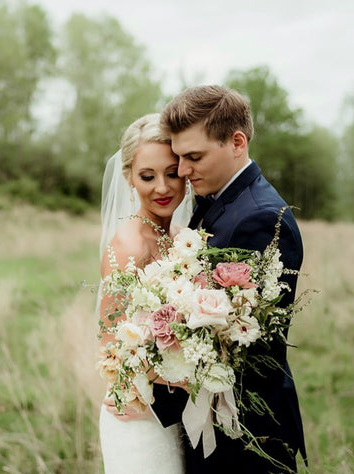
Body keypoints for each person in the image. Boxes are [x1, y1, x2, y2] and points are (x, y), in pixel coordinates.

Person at [150, 85, 307, 473]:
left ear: (237, 142)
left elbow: (240, 349)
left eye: (194, 157)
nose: (183, 171)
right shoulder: (219, 201)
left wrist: (149, 386)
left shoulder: (258, 218)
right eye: (179, 157)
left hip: (245, 438)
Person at [98, 113, 192, 473]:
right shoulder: (128, 245)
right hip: (136, 414)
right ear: (128, 178)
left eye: (172, 173)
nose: (163, 188)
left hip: (175, 409)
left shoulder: (185, 238)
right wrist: (178, 378)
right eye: (147, 176)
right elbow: (110, 344)